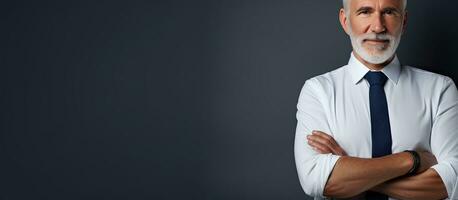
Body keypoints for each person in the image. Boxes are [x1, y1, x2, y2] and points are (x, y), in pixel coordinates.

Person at [294, 0, 458, 199]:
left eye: (389, 12)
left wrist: (351, 171)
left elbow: (449, 183)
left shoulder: (440, 89)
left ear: (404, 21)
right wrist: (411, 160)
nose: (378, 26)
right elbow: (318, 181)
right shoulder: (318, 91)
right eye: (365, 12)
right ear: (345, 21)